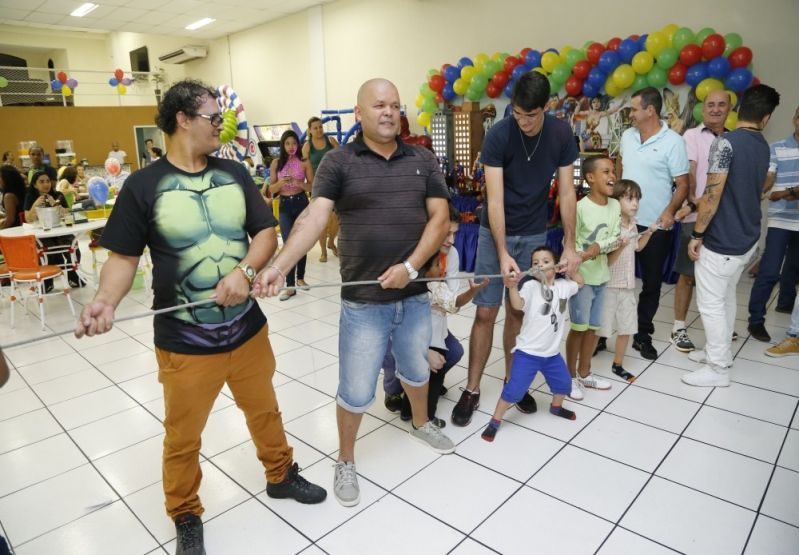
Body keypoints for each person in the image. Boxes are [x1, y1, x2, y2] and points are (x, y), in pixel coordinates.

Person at [74, 79, 327, 554]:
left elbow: (266, 232)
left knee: (265, 410)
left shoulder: (234, 173)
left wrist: (246, 270)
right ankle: (185, 511)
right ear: (182, 120)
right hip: (185, 341)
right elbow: (123, 258)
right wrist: (106, 301)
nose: (221, 125)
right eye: (213, 117)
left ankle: (280, 474)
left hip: (248, 329)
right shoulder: (142, 187)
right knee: (183, 435)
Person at [253, 78, 455, 508]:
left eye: (395, 106)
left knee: (417, 371)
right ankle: (345, 458)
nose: (389, 112)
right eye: (379, 105)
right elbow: (313, 218)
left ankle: (421, 423)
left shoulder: (422, 159)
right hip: (365, 305)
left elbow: (439, 220)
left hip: (415, 295)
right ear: (359, 112)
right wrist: (278, 268)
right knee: (357, 389)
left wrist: (410, 267)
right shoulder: (338, 163)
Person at [451, 70, 581, 427]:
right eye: (518, 114)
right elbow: (494, 200)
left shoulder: (560, 133)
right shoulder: (499, 134)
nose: (523, 122)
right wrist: (503, 251)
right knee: (485, 312)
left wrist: (569, 244)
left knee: (520, 313)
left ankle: (514, 383)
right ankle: (473, 388)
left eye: (531, 115)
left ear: (547, 107)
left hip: (534, 231)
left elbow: (568, 192)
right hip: (495, 233)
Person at [682, 84, 781, 387]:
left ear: (737, 109)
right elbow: (762, 188)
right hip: (747, 238)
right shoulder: (763, 145)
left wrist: (697, 232)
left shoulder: (726, 143)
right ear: (765, 118)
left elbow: (711, 195)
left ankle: (718, 368)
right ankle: (718, 351)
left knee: (711, 305)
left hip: (723, 239)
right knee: (726, 298)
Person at [383, 204, 486, 413]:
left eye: (455, 234)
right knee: (397, 356)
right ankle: (393, 388)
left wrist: (439, 299)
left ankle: (425, 382)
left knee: (454, 352)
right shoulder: (411, 254)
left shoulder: (453, 254)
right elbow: (407, 302)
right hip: (403, 328)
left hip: (433, 325)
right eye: (446, 233)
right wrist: (423, 349)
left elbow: (451, 299)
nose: (451, 240)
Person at [481, 246, 584, 442]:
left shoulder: (563, 286)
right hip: (527, 353)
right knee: (514, 390)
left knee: (563, 384)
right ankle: (495, 421)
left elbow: (580, 282)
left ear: (556, 267)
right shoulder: (530, 287)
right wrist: (511, 286)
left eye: (545, 261)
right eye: (535, 263)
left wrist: (571, 269)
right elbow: (518, 305)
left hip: (552, 354)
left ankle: (556, 407)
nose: (539, 265)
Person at [619, 86, 689, 360]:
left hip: (654, 225)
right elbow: (620, 168)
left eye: (634, 109)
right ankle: (601, 334)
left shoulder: (673, 141)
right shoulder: (627, 136)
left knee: (650, 283)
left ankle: (642, 333)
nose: (631, 114)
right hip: (623, 222)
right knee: (614, 282)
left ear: (650, 110)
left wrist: (670, 211)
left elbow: (683, 184)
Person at [671, 90, 732, 351]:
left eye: (721, 105)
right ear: (703, 110)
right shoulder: (692, 135)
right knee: (688, 274)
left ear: (729, 109)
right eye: (711, 105)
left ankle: (720, 326)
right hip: (695, 215)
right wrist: (695, 202)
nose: (716, 109)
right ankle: (678, 327)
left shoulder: (734, 138)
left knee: (722, 274)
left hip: (726, 219)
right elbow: (691, 173)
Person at [565, 156, 620, 400]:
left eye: (614, 171)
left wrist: (598, 246)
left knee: (593, 329)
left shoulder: (615, 206)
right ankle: (568, 377)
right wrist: (575, 271)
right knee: (578, 328)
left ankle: (585, 373)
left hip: (602, 276)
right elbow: (570, 243)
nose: (612, 176)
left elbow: (616, 238)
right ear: (590, 177)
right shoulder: (578, 207)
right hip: (581, 279)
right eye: (606, 171)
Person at [747, 106, 799, 342]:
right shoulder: (777, 147)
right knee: (769, 271)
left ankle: (785, 305)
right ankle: (755, 321)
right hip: (780, 220)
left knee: (794, 270)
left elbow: (787, 192)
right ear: (794, 118)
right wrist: (765, 189)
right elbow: (770, 177)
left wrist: (789, 191)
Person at [598, 179, 656, 381]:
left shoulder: (632, 224)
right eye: (629, 198)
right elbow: (607, 262)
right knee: (600, 327)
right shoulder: (611, 226)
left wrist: (648, 233)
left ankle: (618, 364)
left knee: (627, 327)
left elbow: (638, 247)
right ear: (616, 200)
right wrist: (620, 246)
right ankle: (585, 361)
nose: (635, 204)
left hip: (628, 286)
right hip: (609, 286)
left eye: (637, 199)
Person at [265, 129, 313, 301]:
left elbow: (312, 187)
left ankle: (300, 278)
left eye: (294, 143)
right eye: (287, 143)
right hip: (285, 205)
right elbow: (271, 190)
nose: (291, 147)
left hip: (301, 202)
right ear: (283, 145)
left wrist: (299, 182)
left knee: (302, 241)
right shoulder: (276, 163)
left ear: (298, 145)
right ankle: (290, 285)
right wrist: (281, 182)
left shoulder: (305, 162)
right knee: (288, 244)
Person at [302, 116, 340, 262]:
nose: (319, 130)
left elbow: (342, 159)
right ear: (310, 130)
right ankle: (323, 252)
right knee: (320, 221)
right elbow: (305, 167)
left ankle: (331, 242)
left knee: (336, 217)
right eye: (315, 128)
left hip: (334, 184)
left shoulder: (331, 141)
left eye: (320, 127)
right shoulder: (307, 146)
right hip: (318, 187)